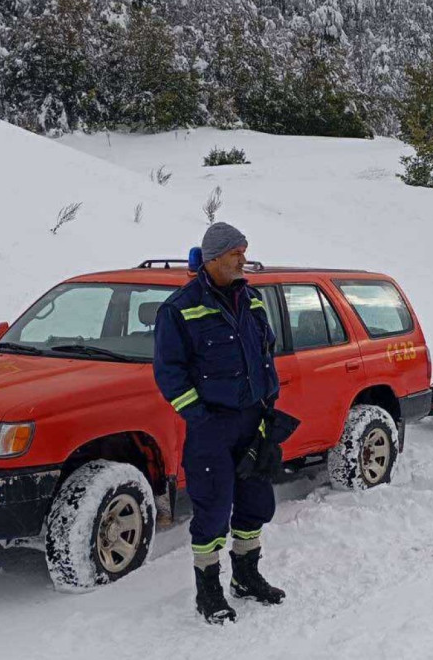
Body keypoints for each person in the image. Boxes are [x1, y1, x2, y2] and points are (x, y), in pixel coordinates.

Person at [153, 222, 284, 625]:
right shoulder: (179, 308)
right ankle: (208, 591)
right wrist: (201, 418)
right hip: (211, 428)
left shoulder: (254, 300)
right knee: (212, 511)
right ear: (213, 259)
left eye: (244, 251)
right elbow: (169, 373)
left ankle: (246, 577)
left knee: (255, 505)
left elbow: (267, 352)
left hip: (253, 422)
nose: (243, 259)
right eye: (235, 253)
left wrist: (269, 405)